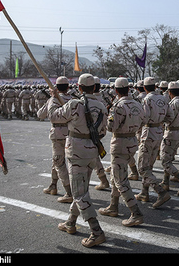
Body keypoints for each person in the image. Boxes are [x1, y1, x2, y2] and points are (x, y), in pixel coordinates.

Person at [48, 73, 107, 248]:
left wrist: (52, 99)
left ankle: (96, 231)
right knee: (80, 189)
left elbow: (54, 116)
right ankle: (70, 222)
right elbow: (103, 131)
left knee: (79, 193)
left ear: (79, 88)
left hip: (76, 152)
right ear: (94, 87)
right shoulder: (102, 106)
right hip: (92, 151)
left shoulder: (74, 104)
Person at [99, 77, 145, 227]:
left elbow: (111, 127)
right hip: (132, 141)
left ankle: (135, 213)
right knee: (115, 175)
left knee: (120, 179)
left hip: (120, 143)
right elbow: (144, 121)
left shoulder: (118, 106)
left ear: (116, 90)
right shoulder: (137, 104)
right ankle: (113, 206)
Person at [135, 76, 171, 208]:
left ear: (144, 88)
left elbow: (144, 117)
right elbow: (170, 116)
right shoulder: (163, 98)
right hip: (159, 131)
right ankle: (144, 192)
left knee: (142, 167)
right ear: (155, 86)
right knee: (148, 165)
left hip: (148, 132)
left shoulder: (147, 99)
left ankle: (160, 191)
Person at [37, 76, 74, 203]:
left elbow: (40, 115)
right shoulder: (73, 99)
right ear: (68, 87)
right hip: (71, 133)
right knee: (57, 160)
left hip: (58, 134)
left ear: (56, 88)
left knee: (59, 162)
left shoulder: (53, 100)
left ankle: (69, 192)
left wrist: (51, 99)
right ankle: (53, 185)